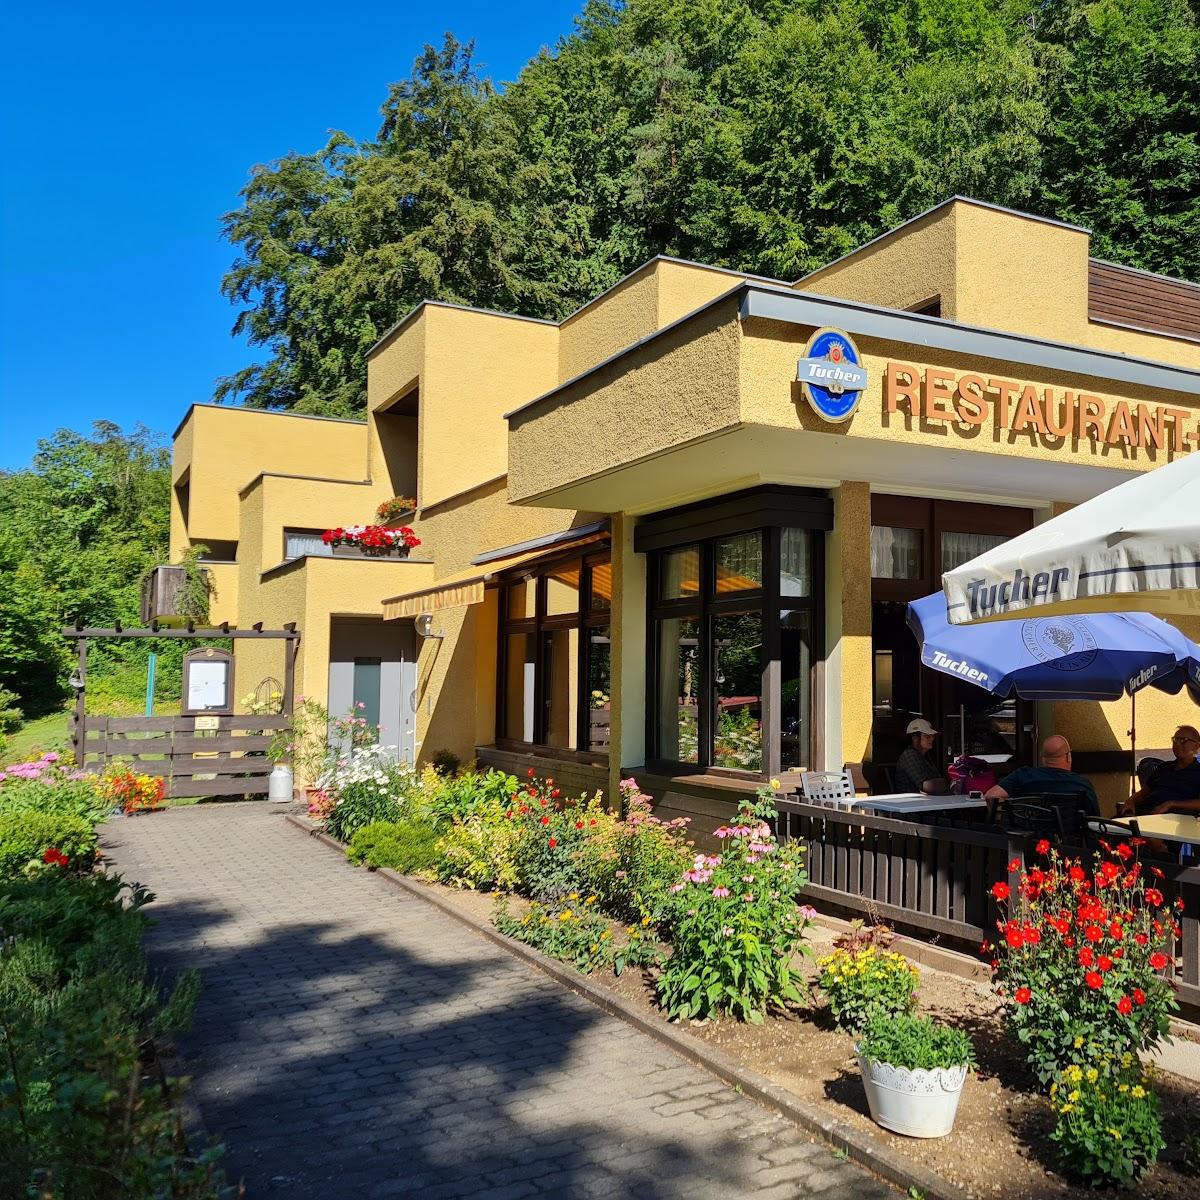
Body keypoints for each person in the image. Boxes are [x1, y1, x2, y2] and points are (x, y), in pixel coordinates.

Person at [985, 735, 1098, 813]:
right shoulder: (1082, 784)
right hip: (1068, 839)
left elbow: (991, 796)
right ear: (1068, 757)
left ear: (1043, 758)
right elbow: (1093, 819)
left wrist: (1008, 816)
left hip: (1028, 836)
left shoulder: (1023, 775)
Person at [1119, 725, 1200, 816]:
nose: (1177, 744)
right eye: (1175, 740)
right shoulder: (1164, 767)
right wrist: (1130, 801)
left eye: (1184, 740)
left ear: (1197, 746)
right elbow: (1143, 793)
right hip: (1143, 813)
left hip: (1171, 818)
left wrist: (1171, 804)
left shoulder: (1197, 772)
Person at [895, 719, 949, 794]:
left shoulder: (925, 756)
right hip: (911, 800)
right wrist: (949, 783)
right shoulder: (909, 755)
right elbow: (928, 786)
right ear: (915, 738)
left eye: (932, 736)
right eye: (927, 736)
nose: (932, 739)